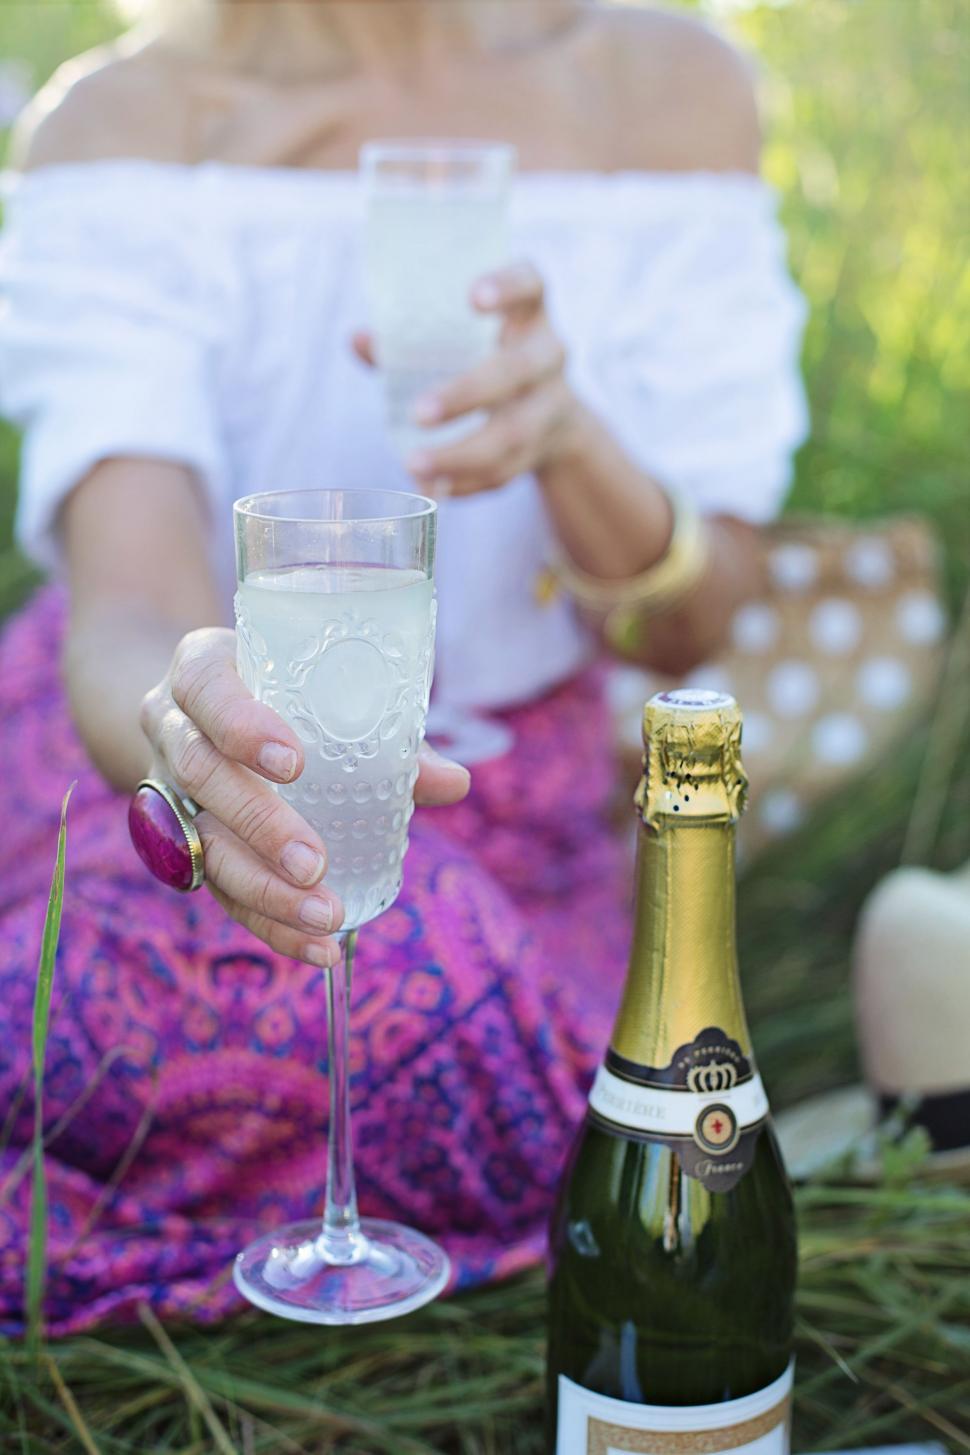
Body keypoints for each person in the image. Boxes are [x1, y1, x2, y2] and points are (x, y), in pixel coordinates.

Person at [0, 0, 807, 1334]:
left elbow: (687, 620)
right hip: (147, 754)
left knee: (411, 969)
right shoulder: (124, 125)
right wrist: (193, 738)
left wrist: (564, 439)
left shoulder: (665, 90)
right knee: (179, 981)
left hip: (485, 773)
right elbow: (132, 602)